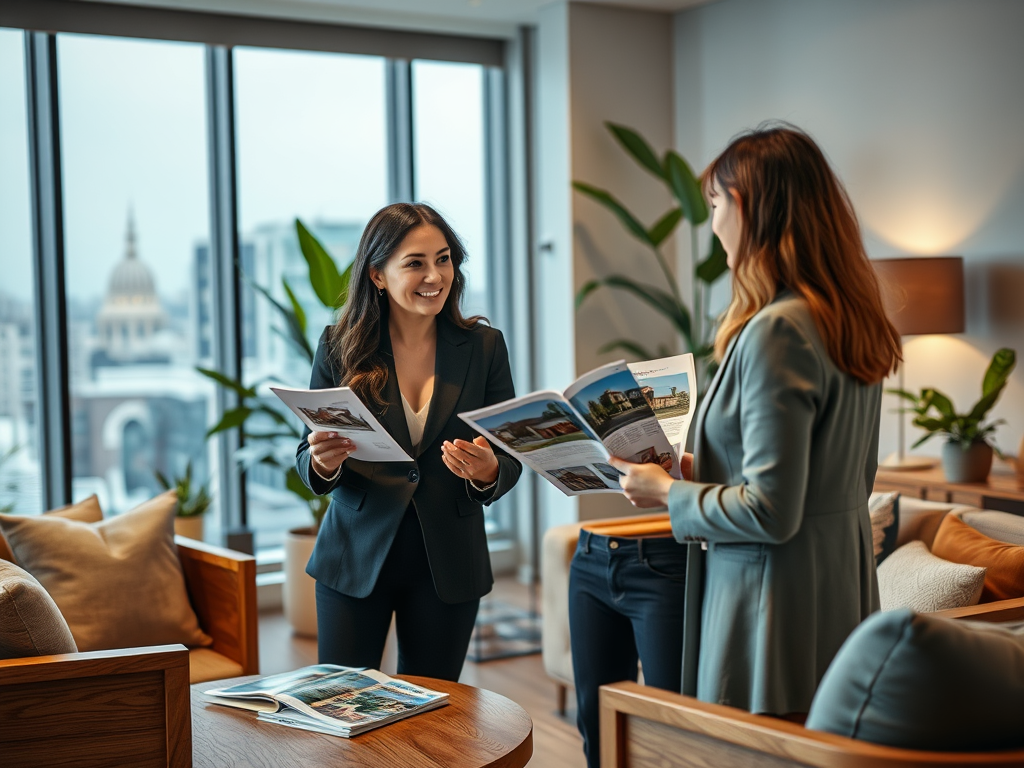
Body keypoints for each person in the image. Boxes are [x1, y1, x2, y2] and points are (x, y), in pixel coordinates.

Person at [609, 124, 902, 718]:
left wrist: (669, 492)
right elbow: (839, 477)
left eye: (715, 205)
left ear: (744, 206)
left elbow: (770, 510)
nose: (712, 223)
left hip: (771, 605)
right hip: (837, 588)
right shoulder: (849, 320)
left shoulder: (778, 331)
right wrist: (702, 470)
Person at [295, 202, 522, 682]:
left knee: (434, 725)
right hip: (354, 558)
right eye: (415, 263)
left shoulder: (484, 347)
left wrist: (488, 470)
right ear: (378, 275)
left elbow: (512, 455)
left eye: (443, 259)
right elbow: (306, 456)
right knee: (342, 712)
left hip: (448, 563)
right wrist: (323, 462)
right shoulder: (340, 346)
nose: (434, 275)